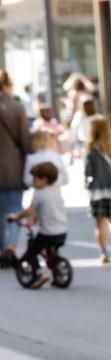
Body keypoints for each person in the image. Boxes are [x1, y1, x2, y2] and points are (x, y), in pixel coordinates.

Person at [5, 162, 67, 289]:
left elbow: (29, 211)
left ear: (44, 179)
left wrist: (15, 217)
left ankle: (39, 273)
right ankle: (57, 269)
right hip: (62, 231)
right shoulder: (56, 190)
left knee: (31, 253)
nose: (32, 182)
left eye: (35, 179)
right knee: (51, 250)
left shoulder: (39, 194)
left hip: (48, 233)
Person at [85, 116, 111, 264]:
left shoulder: (92, 151)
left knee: (100, 223)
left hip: (98, 191)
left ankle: (104, 253)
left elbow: (88, 172)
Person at [0, 69, 32, 269]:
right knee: (13, 208)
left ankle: (0, 250)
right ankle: (11, 247)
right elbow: (25, 140)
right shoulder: (16, 107)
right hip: (13, 167)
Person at [69, 98, 98, 164]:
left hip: (86, 142)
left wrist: (72, 140)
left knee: (87, 161)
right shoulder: (96, 117)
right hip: (89, 142)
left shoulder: (79, 116)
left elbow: (74, 129)